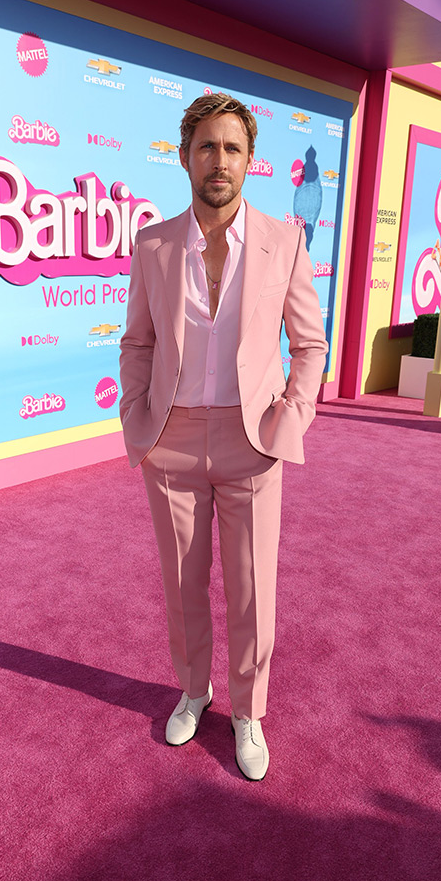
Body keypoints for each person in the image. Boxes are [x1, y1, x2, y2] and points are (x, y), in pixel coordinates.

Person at [119, 93, 328, 780]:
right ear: (185, 157)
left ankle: (248, 711)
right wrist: (136, 415)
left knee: (251, 587)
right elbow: (138, 342)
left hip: (251, 439)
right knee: (183, 584)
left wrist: (290, 418)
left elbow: (310, 343)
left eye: (232, 148)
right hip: (172, 438)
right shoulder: (153, 243)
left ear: (250, 160)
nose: (219, 161)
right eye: (207, 146)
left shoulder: (283, 241)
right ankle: (193, 691)